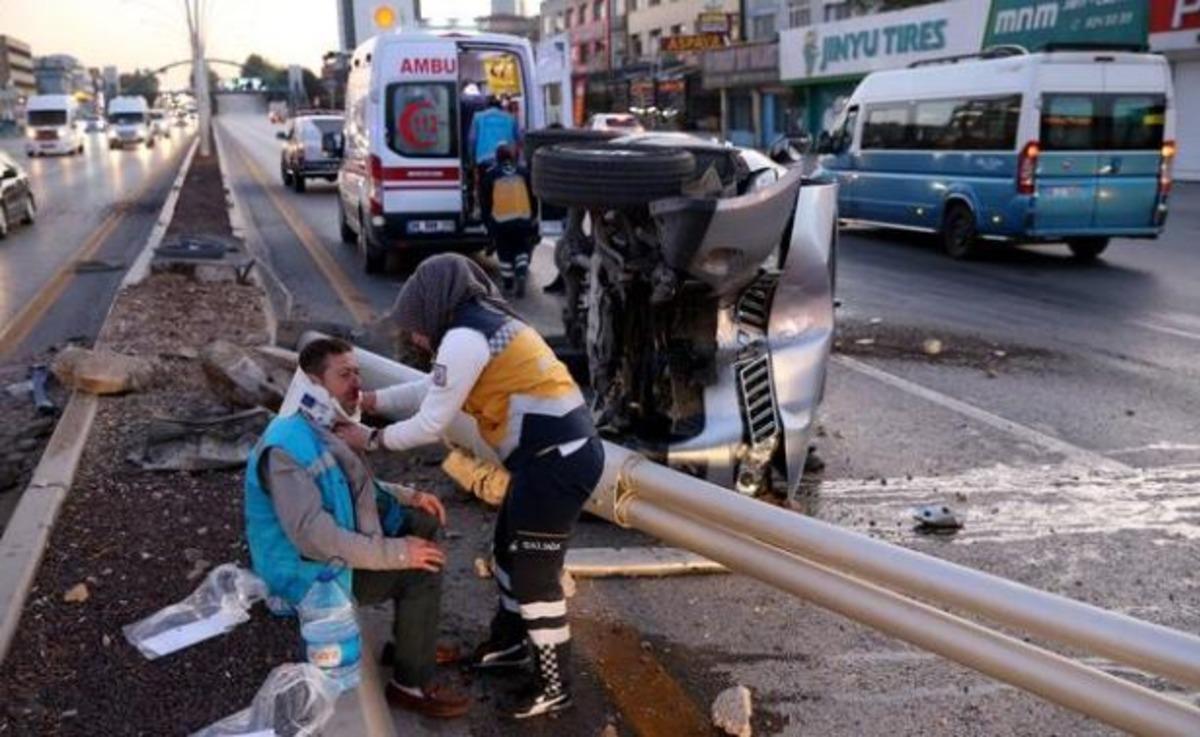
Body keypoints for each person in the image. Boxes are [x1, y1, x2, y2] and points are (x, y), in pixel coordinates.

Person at [337, 254, 604, 720]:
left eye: (416, 324)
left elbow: (431, 421)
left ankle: (554, 684)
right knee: (506, 554)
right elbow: (432, 387)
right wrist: (376, 400)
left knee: (535, 577)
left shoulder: (464, 336)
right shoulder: (476, 324)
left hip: (557, 463)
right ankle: (511, 645)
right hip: (546, 460)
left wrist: (371, 437)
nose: (416, 336)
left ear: (434, 307)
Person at [243, 337, 469, 719]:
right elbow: (315, 539)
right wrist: (397, 554)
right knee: (421, 569)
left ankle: (412, 640)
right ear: (314, 383)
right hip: (311, 576)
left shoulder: (315, 424)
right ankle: (409, 684)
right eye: (344, 375)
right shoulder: (285, 448)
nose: (356, 383)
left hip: (330, 552)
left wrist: (407, 495)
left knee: (423, 521)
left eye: (358, 373)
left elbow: (344, 484)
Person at [479, 144, 538, 297]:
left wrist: (487, 223)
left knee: (504, 252)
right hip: (522, 219)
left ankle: (508, 282)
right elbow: (533, 197)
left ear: (497, 158)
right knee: (522, 248)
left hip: (501, 222)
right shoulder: (524, 172)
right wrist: (533, 217)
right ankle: (521, 272)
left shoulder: (490, 174)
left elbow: (485, 202)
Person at [468, 96, 520, 214]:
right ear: (500, 107)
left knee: (485, 190)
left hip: (484, 160)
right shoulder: (510, 118)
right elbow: (519, 139)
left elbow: (472, 140)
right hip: (507, 159)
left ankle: (487, 215)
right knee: (507, 187)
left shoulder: (478, 117)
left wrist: (471, 160)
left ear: (486, 106)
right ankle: (506, 213)